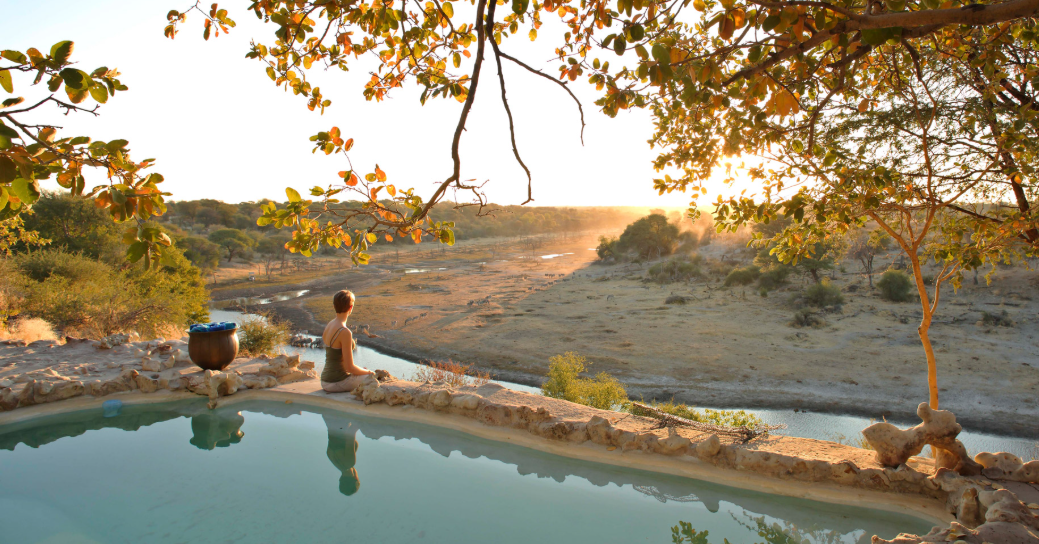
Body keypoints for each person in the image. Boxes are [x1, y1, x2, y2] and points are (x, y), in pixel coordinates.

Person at [320, 290, 374, 392]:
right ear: (351, 307)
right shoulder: (344, 332)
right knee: (373, 378)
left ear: (334, 306)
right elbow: (349, 368)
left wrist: (362, 371)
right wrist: (368, 372)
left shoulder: (330, 324)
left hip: (325, 380)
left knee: (363, 372)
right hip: (337, 382)